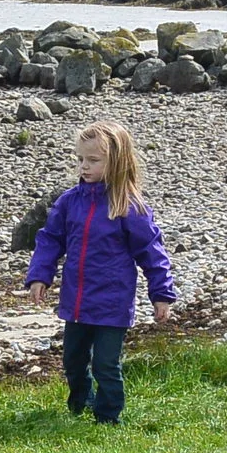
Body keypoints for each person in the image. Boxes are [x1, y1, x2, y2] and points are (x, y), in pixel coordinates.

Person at [24, 120, 177, 424]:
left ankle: (108, 417)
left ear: (116, 161)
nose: (84, 166)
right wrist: (40, 276)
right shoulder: (70, 202)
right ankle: (81, 404)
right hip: (76, 302)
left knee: (106, 364)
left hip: (112, 303)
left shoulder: (129, 206)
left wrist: (161, 295)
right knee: (73, 361)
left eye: (93, 160)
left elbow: (151, 251)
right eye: (80, 159)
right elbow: (50, 239)